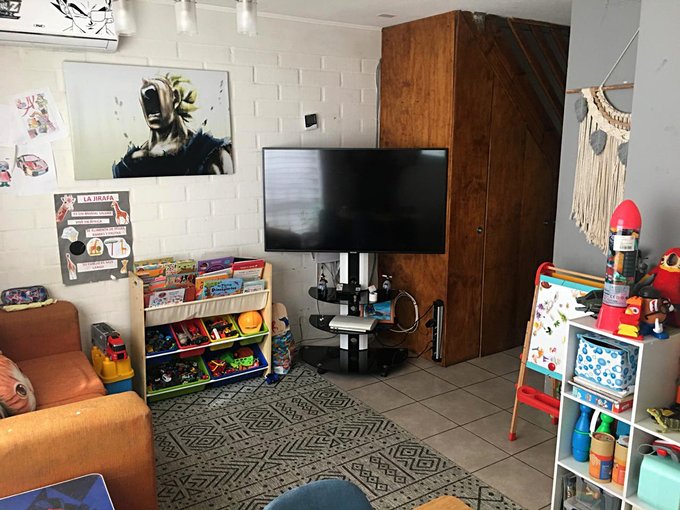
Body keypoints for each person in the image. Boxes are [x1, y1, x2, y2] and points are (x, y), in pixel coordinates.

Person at [112, 74, 233, 178]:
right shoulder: (129, 165)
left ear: (175, 98)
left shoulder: (210, 152)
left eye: (155, 97)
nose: (152, 102)